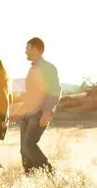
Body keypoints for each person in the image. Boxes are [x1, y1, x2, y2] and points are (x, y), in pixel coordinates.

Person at [9, 37, 61, 175]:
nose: (25, 51)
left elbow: (55, 90)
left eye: (27, 48)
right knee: (23, 150)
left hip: (39, 113)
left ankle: (51, 175)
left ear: (35, 49)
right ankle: (30, 180)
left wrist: (47, 112)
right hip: (26, 114)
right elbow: (30, 95)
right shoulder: (32, 69)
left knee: (28, 145)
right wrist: (18, 112)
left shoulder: (48, 67)